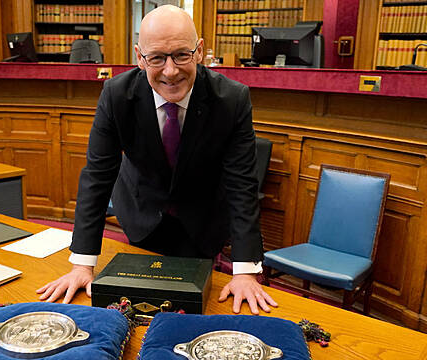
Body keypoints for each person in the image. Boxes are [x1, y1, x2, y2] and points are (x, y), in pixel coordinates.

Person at [37, 5, 277, 314]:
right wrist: (82, 264)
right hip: (142, 214)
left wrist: (244, 272)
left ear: (199, 50)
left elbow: (242, 184)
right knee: (138, 307)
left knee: (195, 310)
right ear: (139, 57)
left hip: (203, 219)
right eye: (157, 58)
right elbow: (98, 177)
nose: (170, 71)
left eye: (181, 54)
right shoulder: (115, 95)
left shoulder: (232, 99)